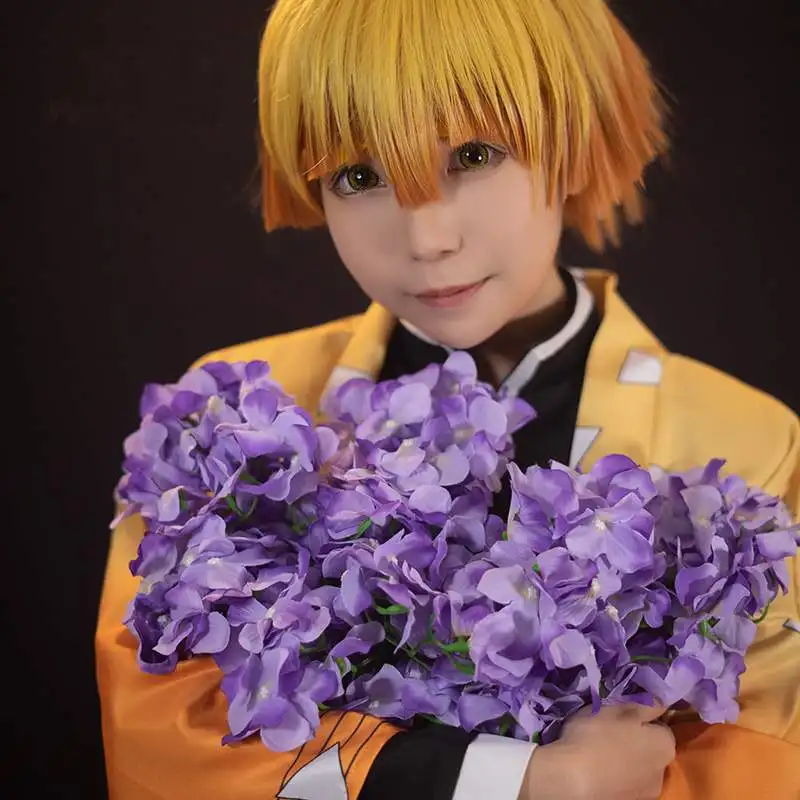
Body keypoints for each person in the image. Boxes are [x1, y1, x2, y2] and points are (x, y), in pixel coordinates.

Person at [96, 1, 800, 798]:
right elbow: (161, 724)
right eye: (360, 176)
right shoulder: (233, 420)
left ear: (574, 142)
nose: (427, 239)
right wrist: (514, 783)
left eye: (473, 154)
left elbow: (768, 750)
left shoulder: (749, 441)